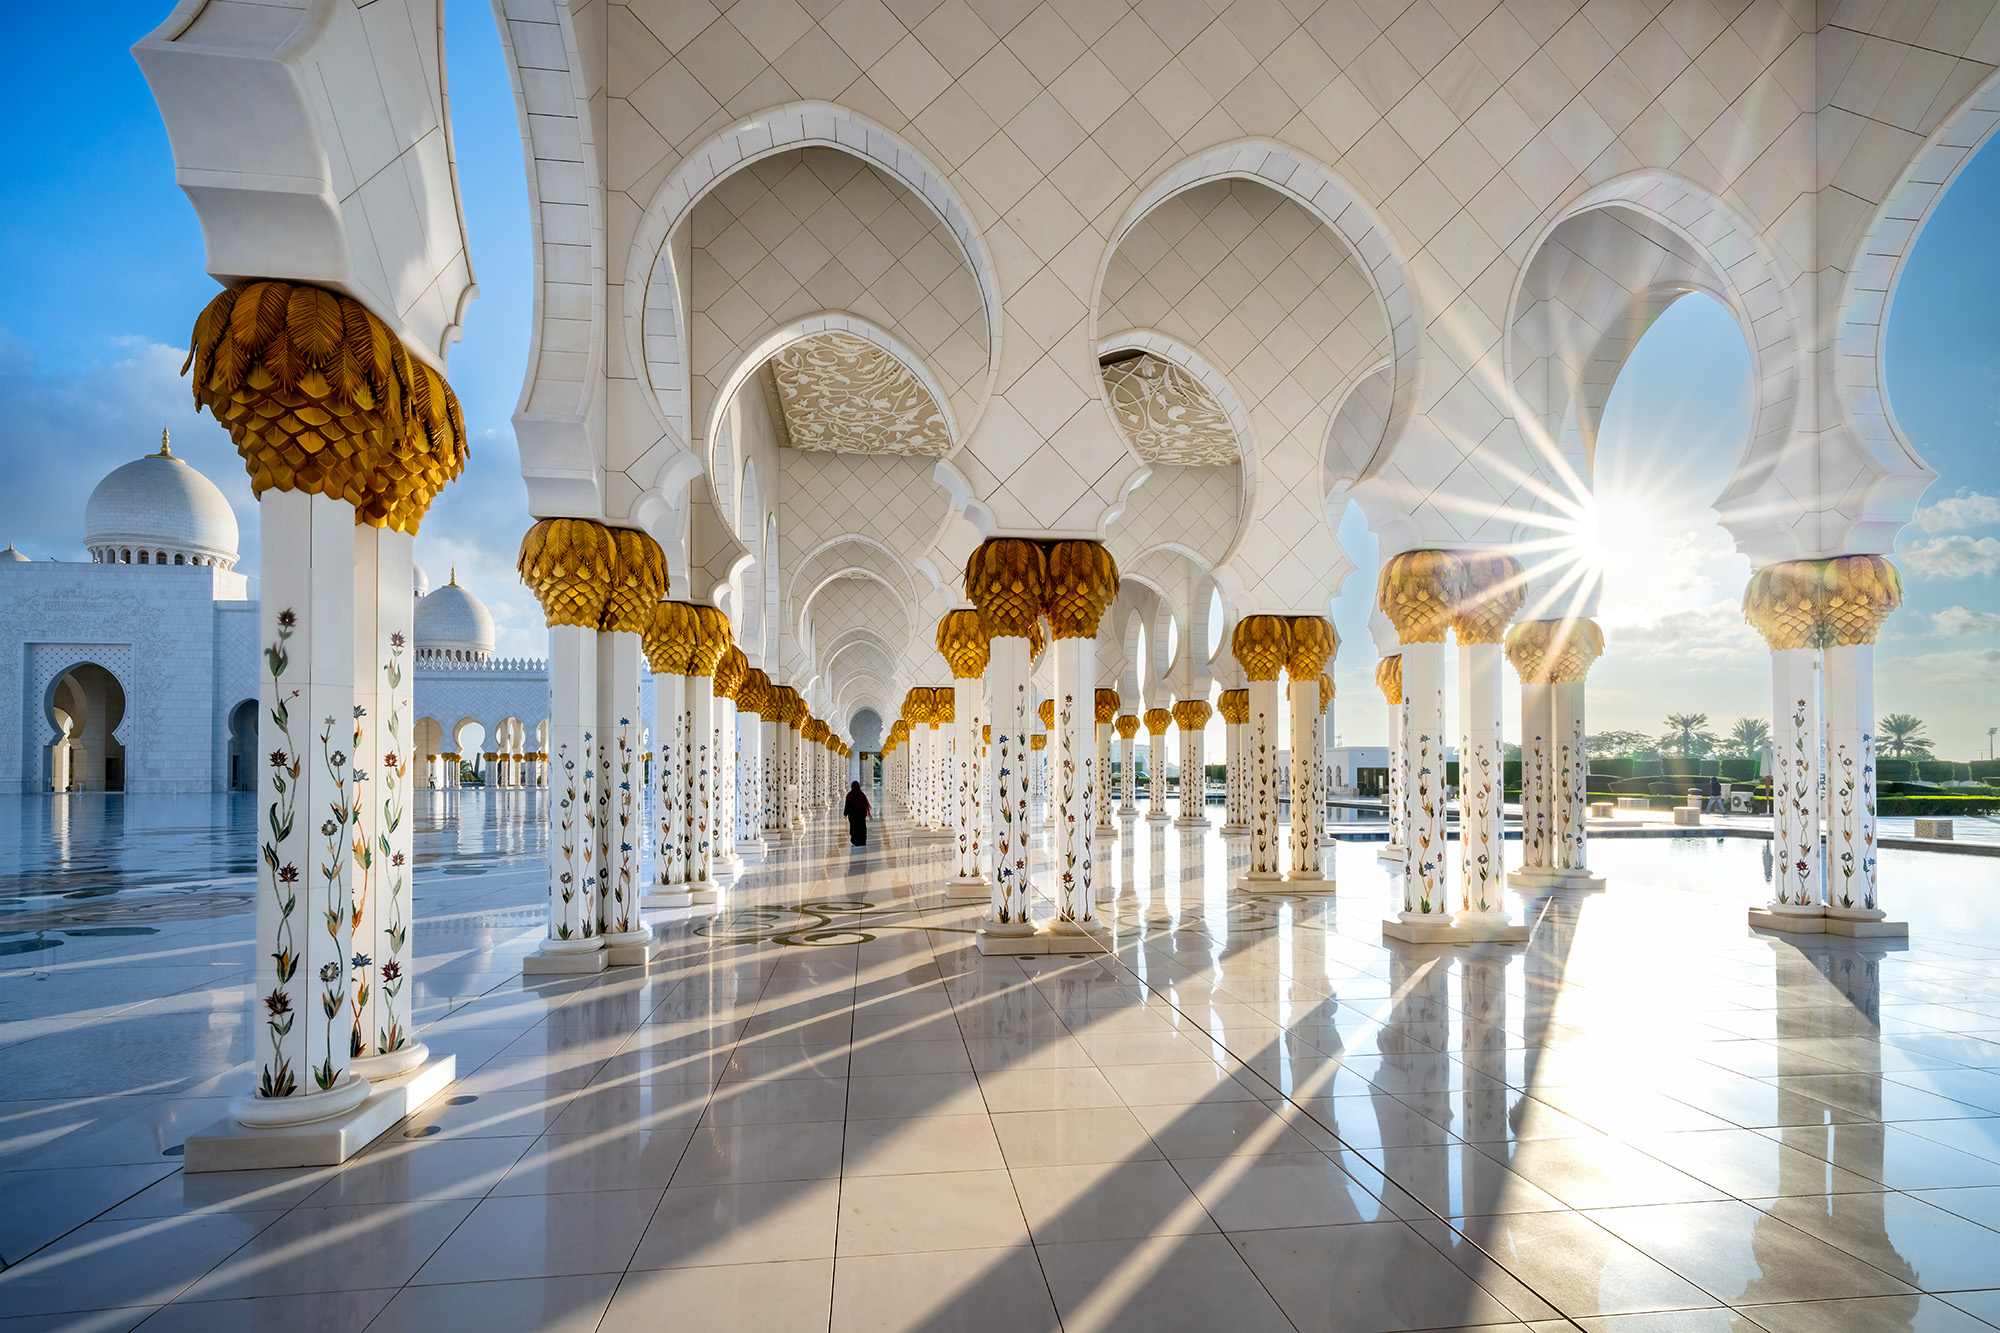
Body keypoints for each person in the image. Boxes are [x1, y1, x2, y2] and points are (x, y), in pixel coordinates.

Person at [843, 780, 871, 848]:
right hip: (861, 816)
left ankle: (855, 841)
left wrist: (845, 814)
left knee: (854, 828)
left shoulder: (849, 795)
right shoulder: (862, 795)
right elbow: (865, 806)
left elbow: (847, 805)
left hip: (853, 816)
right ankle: (862, 841)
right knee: (861, 828)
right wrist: (864, 814)